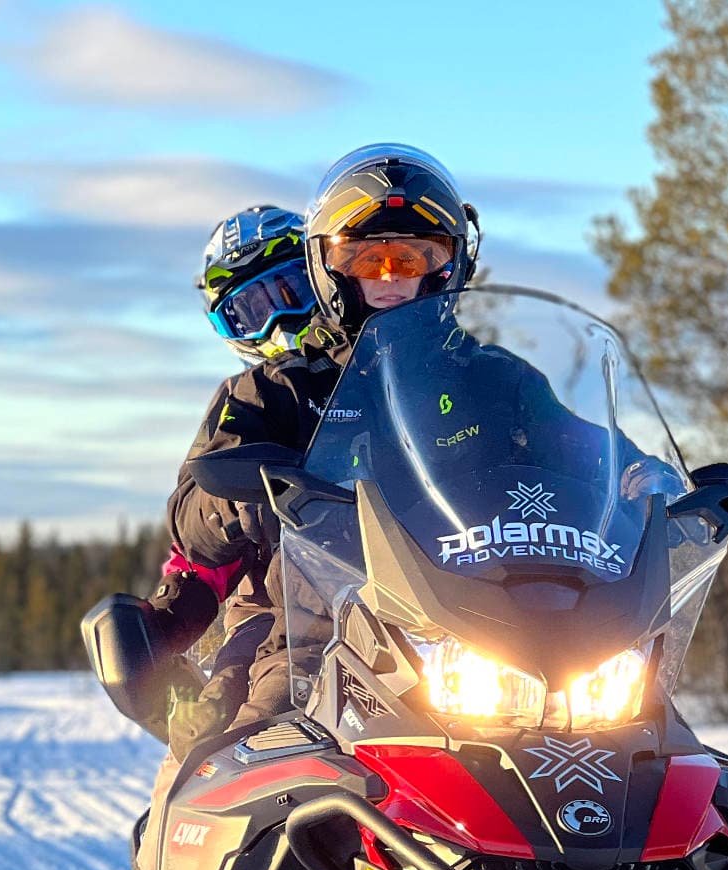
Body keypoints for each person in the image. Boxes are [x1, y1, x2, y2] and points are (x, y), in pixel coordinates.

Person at [163, 144, 479, 755]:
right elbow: (192, 517)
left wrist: (648, 483)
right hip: (315, 625)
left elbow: (579, 447)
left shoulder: (490, 380)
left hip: (480, 615)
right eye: (367, 261)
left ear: (446, 265)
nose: (389, 279)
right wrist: (236, 501)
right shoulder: (271, 389)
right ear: (331, 270)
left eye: (409, 259)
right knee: (228, 754)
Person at [118, 205, 319, 744]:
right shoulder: (250, 400)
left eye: (290, 291)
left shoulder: (399, 376)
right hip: (282, 612)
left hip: (425, 594)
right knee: (215, 736)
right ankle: (174, 823)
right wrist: (227, 507)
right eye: (252, 310)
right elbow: (194, 524)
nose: (279, 321)